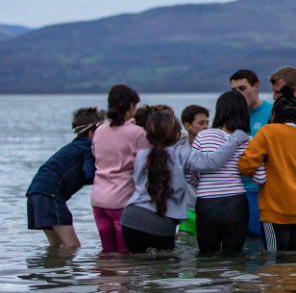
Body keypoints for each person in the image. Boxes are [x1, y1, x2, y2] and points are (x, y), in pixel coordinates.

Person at [121, 109, 250, 252]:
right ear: (176, 133)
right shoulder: (181, 153)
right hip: (161, 222)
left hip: (130, 219)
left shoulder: (141, 155)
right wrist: (236, 137)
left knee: (137, 266)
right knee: (164, 271)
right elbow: (212, 161)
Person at [187, 91, 265, 254]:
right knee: (234, 258)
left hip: (206, 204)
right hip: (236, 204)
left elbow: (189, 172)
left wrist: (203, 183)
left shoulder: (202, 136)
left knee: (206, 257)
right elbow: (259, 177)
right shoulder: (249, 141)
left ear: (220, 111)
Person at [239, 86, 296, 251]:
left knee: (274, 260)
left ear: (273, 116)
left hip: (276, 210)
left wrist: (258, 175)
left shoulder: (267, 132)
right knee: (295, 260)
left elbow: (247, 164)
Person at [26, 107, 104, 247]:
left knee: (56, 245)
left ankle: (49, 269)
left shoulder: (73, 147)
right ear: (92, 134)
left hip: (35, 192)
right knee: (72, 246)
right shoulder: (87, 148)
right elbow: (90, 175)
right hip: (50, 193)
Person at [91, 84, 149, 253]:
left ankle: (104, 279)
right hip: (122, 201)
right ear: (130, 106)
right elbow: (147, 162)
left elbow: (96, 156)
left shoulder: (99, 131)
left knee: (108, 252)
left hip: (98, 200)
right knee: (125, 254)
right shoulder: (137, 133)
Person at [230, 69, 272, 239]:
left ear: (256, 86)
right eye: (234, 91)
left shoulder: (272, 112)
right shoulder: (230, 117)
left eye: (242, 88)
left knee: (259, 246)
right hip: (234, 192)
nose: (238, 94)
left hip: (261, 192)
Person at [176, 105, 210, 235]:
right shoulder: (180, 143)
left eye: (207, 122)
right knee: (184, 247)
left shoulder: (213, 148)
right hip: (187, 210)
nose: (206, 126)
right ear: (187, 125)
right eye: (201, 123)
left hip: (207, 209)